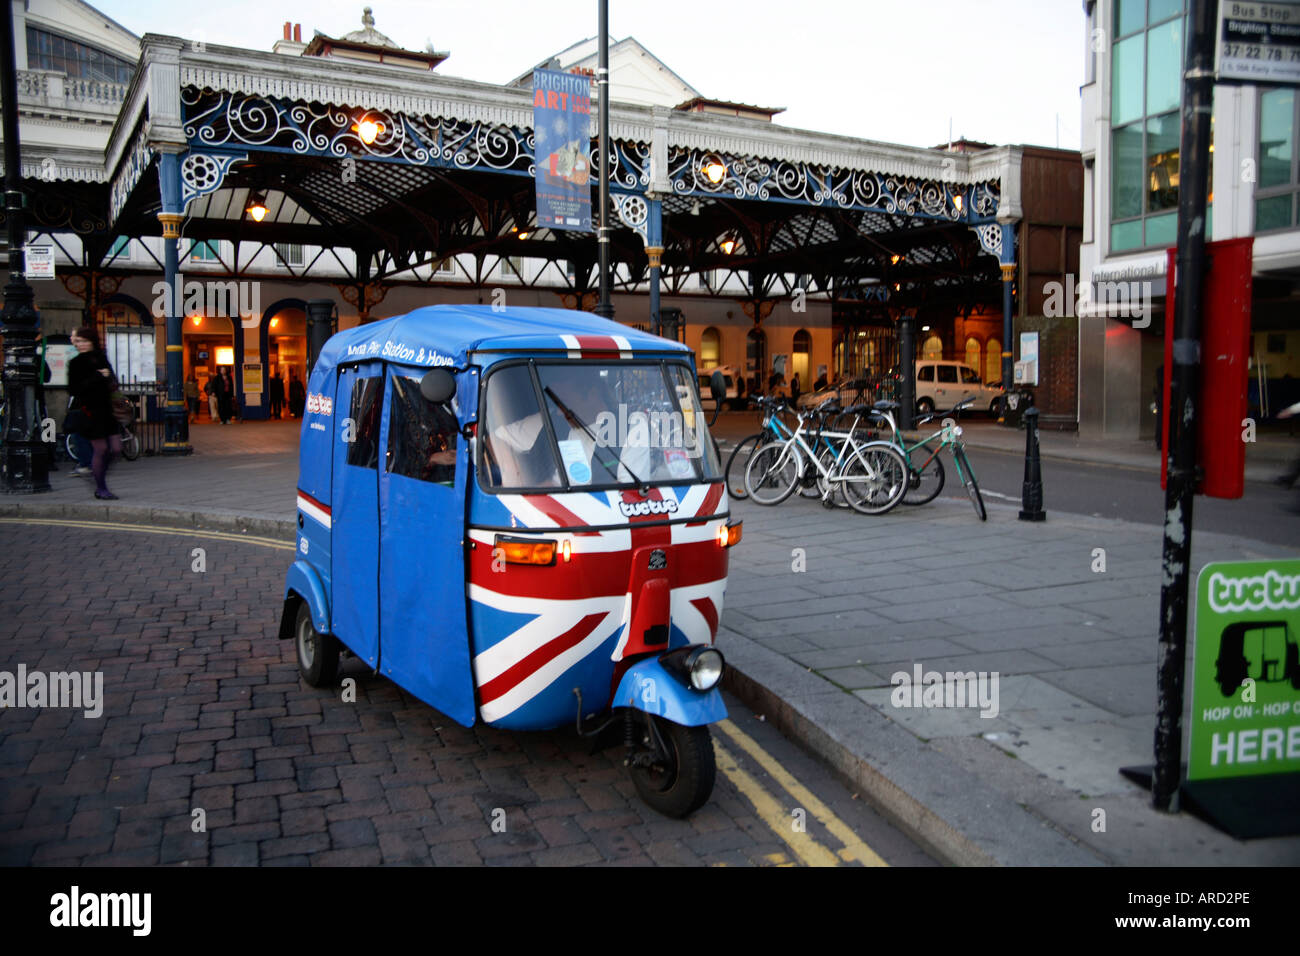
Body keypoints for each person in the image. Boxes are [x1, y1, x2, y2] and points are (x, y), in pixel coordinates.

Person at [67, 326, 122, 500]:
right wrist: (98, 377)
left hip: (107, 410)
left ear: (92, 342)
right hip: (89, 410)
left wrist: (108, 377)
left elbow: (113, 382)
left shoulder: (101, 358)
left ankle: (97, 472)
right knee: (101, 448)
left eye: (85, 341)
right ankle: (101, 487)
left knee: (116, 449)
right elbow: (74, 389)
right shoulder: (76, 363)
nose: (81, 345)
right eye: (79, 342)